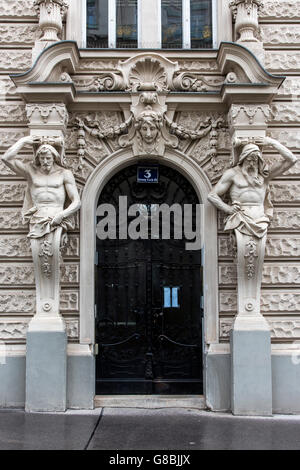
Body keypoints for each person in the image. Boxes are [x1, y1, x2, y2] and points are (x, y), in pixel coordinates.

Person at [208, 136, 297, 238]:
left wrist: (272, 142)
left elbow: (292, 160)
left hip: (261, 220)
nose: (251, 164)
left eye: (254, 160)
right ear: (243, 159)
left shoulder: (264, 175)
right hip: (240, 219)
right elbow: (212, 195)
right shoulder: (233, 174)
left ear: (259, 160)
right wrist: (228, 209)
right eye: (249, 160)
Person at [2, 135, 81, 239]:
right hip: (36, 220)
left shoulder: (64, 173)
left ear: (54, 158)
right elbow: (6, 158)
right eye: (42, 158)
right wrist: (23, 141)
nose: (45, 161)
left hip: (57, 219)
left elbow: (76, 201)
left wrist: (62, 215)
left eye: (48, 158)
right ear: (38, 158)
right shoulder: (31, 171)